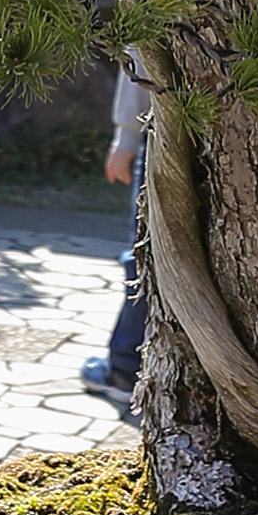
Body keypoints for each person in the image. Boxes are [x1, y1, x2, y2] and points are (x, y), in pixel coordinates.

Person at [83, 58, 150, 402]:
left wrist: (126, 136)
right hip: (244, 139)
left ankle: (126, 369)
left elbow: (138, 48)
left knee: (146, 257)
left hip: (164, 133)